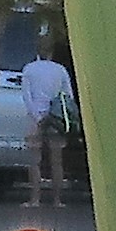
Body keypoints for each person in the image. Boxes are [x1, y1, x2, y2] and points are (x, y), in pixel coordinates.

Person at [16, 40, 78, 208]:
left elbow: (27, 97)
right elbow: (68, 96)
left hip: (35, 117)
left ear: (37, 51)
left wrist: (37, 117)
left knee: (34, 161)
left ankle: (35, 199)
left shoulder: (29, 69)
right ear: (52, 52)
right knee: (57, 161)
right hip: (56, 119)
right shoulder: (60, 70)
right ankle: (57, 200)